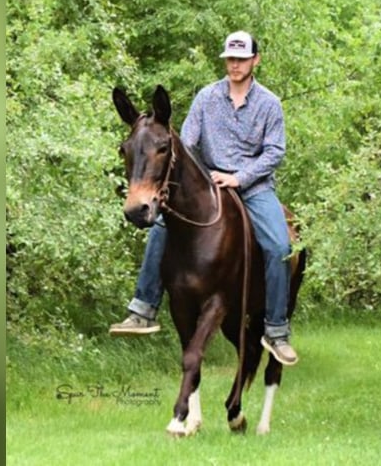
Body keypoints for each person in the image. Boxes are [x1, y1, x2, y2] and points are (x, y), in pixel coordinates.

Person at [109, 31, 298, 366]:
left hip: (253, 188)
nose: (235, 65)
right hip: (210, 183)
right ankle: (143, 309)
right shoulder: (206, 98)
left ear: (256, 60)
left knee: (281, 247)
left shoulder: (269, 103)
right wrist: (201, 178)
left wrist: (238, 177)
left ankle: (277, 330)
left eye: (241, 59)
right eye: (230, 58)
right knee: (162, 225)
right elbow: (188, 143)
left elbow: (274, 153)